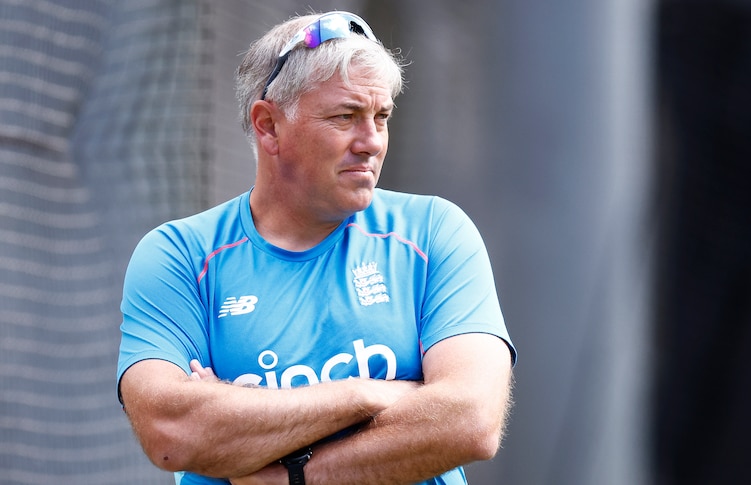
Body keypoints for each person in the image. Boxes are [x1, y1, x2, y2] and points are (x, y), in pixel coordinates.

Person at [116, 10, 516, 485]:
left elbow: (471, 420)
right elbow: (172, 433)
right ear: (268, 126)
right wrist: (367, 397)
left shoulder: (434, 231)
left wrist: (292, 476)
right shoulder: (177, 256)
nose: (371, 142)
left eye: (381, 116)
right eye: (345, 117)